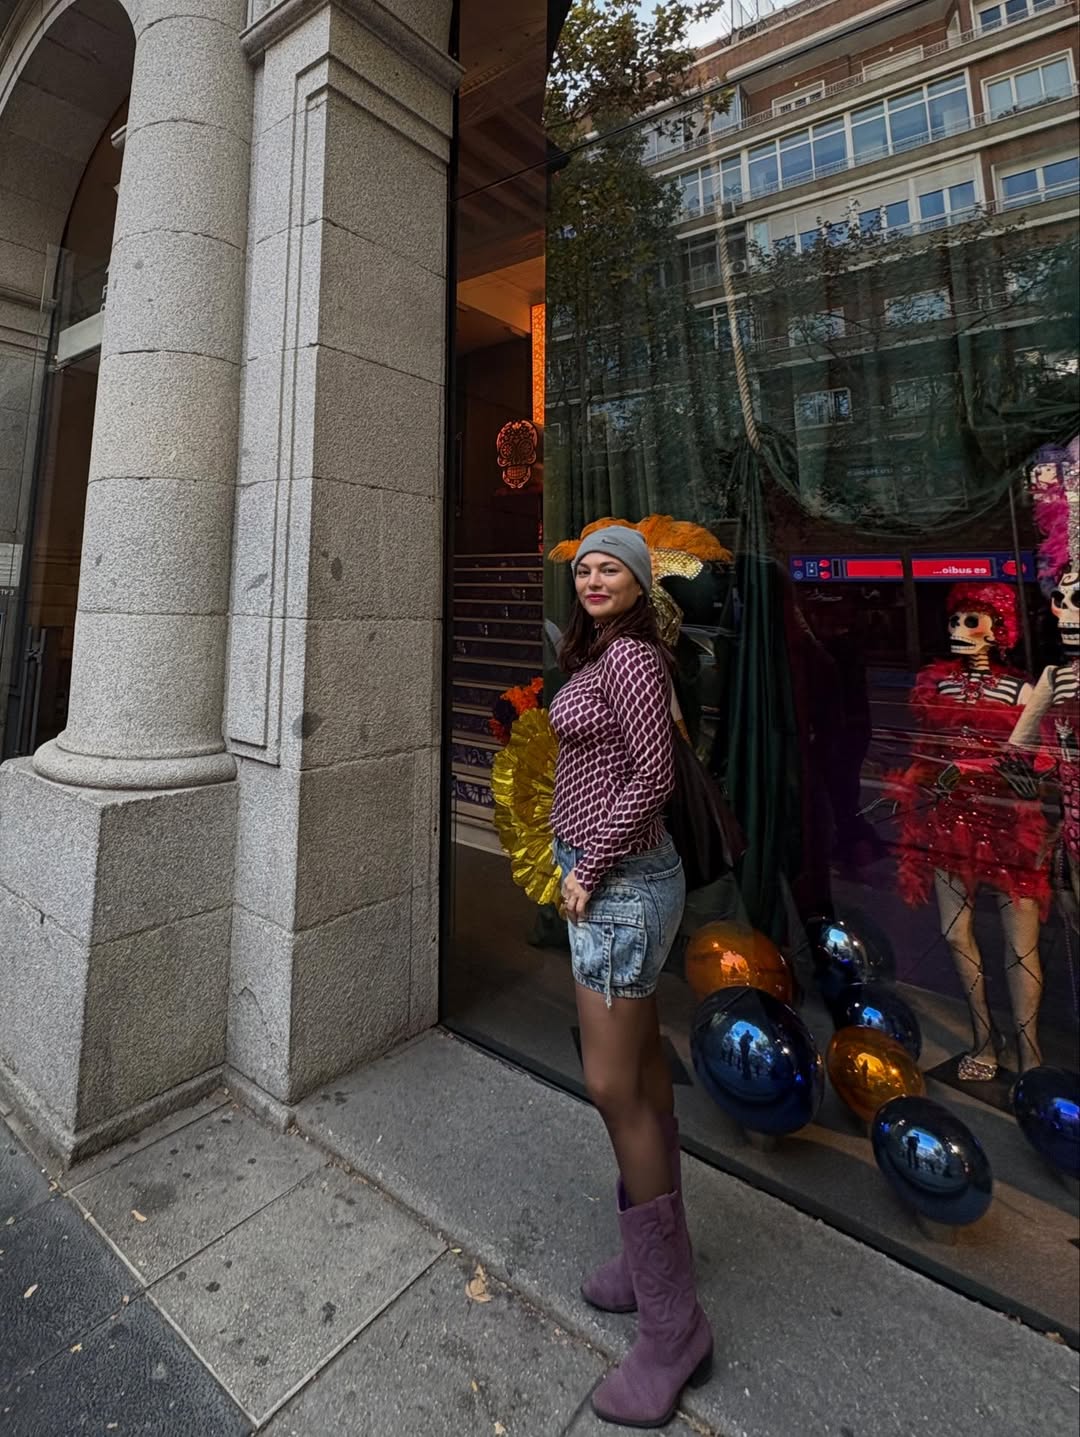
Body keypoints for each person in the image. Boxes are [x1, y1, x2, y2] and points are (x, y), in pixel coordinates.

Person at [549, 526, 713, 1429]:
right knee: (643, 1078)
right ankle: (656, 1270)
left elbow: (651, 777)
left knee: (615, 1087)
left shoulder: (635, 659)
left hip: (617, 889)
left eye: (611, 566)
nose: (593, 576)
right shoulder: (603, 653)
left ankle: (672, 1329)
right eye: (584, 567)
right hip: (606, 883)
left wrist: (589, 864)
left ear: (642, 582)